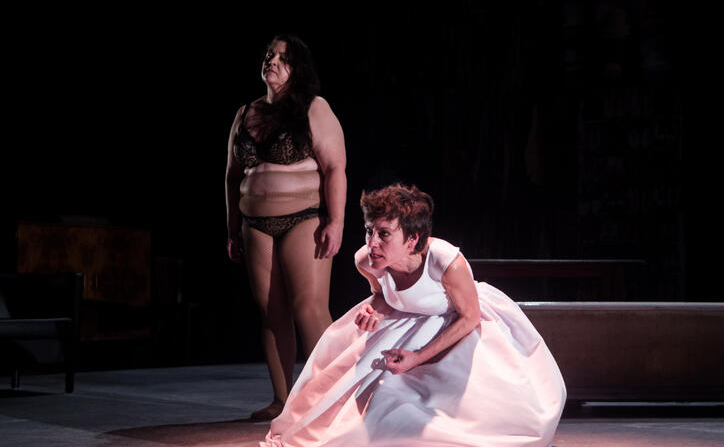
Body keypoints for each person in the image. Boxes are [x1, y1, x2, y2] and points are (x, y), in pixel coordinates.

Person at [260, 184, 565, 447]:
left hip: (461, 324)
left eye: (384, 234)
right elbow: (382, 295)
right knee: (377, 402)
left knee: (473, 412)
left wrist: (418, 357)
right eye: (369, 231)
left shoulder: (446, 261)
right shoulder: (366, 261)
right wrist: (373, 310)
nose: (372, 243)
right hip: (409, 323)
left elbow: (469, 317)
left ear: (412, 239)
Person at [225, 34, 346, 421]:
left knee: (308, 309)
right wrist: (232, 229)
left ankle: (336, 400)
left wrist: (336, 222)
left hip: (303, 219)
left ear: (298, 68)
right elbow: (231, 176)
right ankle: (282, 401)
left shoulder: (314, 108)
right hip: (254, 224)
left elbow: (335, 168)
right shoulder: (246, 112)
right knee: (271, 313)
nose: (272, 61)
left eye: (282, 57)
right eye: (269, 55)